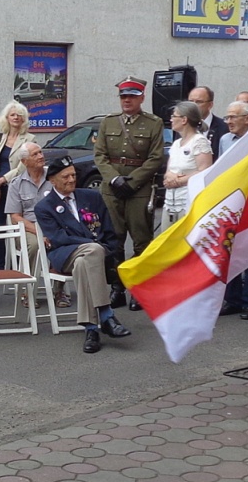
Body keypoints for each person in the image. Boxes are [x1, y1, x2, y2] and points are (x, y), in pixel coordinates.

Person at [35, 156, 131, 354]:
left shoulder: (92, 197)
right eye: (65, 177)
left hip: (92, 255)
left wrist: (106, 249)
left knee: (84, 263)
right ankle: (106, 315)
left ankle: (91, 330)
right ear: (52, 180)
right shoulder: (44, 207)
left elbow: (109, 229)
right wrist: (92, 244)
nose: (71, 180)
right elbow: (59, 238)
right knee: (91, 251)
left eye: (73, 175)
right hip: (65, 254)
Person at [93, 76, 165, 311]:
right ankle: (117, 288)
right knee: (113, 241)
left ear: (141, 97)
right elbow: (100, 156)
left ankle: (139, 289)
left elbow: (155, 159)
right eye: (123, 96)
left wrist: (131, 182)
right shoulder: (108, 122)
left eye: (132, 96)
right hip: (112, 189)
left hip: (139, 190)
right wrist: (114, 179)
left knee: (141, 242)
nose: (127, 100)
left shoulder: (153, 123)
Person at [5, 142, 70, 308]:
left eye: (40, 152)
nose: (41, 156)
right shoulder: (16, 183)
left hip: (54, 224)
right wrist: (39, 232)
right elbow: (15, 216)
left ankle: (59, 291)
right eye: (35, 154)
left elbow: (67, 203)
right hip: (28, 227)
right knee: (34, 245)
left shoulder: (54, 178)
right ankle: (29, 291)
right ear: (25, 161)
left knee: (61, 241)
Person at [218, 100, 248, 320]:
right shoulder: (225, 140)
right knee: (231, 251)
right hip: (232, 202)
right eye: (227, 117)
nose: (228, 121)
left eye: (233, 117)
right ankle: (234, 298)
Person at [0, 101, 37, 270]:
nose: (16, 117)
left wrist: (2, 180)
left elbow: (22, 167)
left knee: (17, 229)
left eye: (19, 115)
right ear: (6, 118)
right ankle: (0, 268)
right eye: (13, 114)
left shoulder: (29, 139)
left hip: (18, 187)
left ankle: (20, 267)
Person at [162, 101, 212, 229]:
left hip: (188, 203)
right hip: (170, 203)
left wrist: (178, 181)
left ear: (184, 119)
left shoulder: (199, 141)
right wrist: (169, 178)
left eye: (174, 116)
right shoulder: (176, 143)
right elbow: (169, 170)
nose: (171, 119)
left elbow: (204, 171)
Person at [187, 86, 228, 160]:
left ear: (210, 105)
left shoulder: (224, 127)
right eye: (191, 102)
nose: (194, 106)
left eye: (199, 102)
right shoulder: (184, 126)